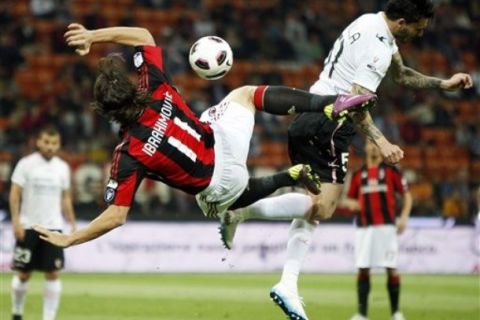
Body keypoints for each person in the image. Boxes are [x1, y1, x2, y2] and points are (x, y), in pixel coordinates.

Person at [219, 0, 473, 319]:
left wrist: (442, 83)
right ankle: (242, 214)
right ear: (404, 21)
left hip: (307, 115)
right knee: (322, 207)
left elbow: (403, 75)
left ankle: (287, 281)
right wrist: (382, 142)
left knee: (314, 207)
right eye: (419, 29)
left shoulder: (368, 22)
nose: (420, 36)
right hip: (331, 123)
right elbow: (354, 103)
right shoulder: (379, 47)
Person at [32, 24, 375, 253]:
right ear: (130, 87)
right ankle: (327, 104)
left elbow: (116, 216)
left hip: (219, 183)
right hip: (221, 138)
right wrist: (93, 35)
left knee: (219, 207)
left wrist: (71, 238)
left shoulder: (129, 154)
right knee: (245, 94)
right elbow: (143, 35)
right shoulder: (153, 86)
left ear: (109, 113)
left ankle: (285, 178)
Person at [10, 126, 77, 320]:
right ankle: (17, 313)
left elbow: (65, 198)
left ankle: (48, 318)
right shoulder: (26, 164)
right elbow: (15, 194)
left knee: (53, 273)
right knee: (23, 274)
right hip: (28, 226)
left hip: (53, 227)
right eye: (46, 142)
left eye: (54, 143)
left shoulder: (62, 167)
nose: (50, 147)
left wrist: (71, 223)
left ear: (59, 144)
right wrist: (16, 222)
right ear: (38, 142)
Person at [344, 139, 412, 320]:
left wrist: (404, 217)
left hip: (387, 227)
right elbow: (349, 198)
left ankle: (396, 313)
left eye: (376, 145)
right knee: (363, 268)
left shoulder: (391, 171)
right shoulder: (358, 174)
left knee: (391, 268)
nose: (373, 148)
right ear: (365, 147)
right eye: (370, 144)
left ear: (381, 148)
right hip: (364, 228)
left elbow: (407, 195)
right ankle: (362, 314)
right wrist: (353, 205)